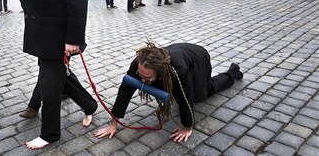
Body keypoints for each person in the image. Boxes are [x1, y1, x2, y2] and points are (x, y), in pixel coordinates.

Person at [10, 0, 98, 149]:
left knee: (50, 84)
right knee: (55, 75)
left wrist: (74, 38)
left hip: (58, 34)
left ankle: (50, 134)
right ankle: (90, 105)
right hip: (41, 32)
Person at [94, 41, 243, 142]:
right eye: (140, 75)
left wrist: (187, 125)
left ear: (160, 73)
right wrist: (112, 124)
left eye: (147, 77)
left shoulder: (177, 71)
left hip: (197, 57)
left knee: (201, 95)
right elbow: (124, 92)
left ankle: (232, 73)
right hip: (180, 53)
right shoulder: (139, 64)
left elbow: (186, 97)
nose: (142, 80)